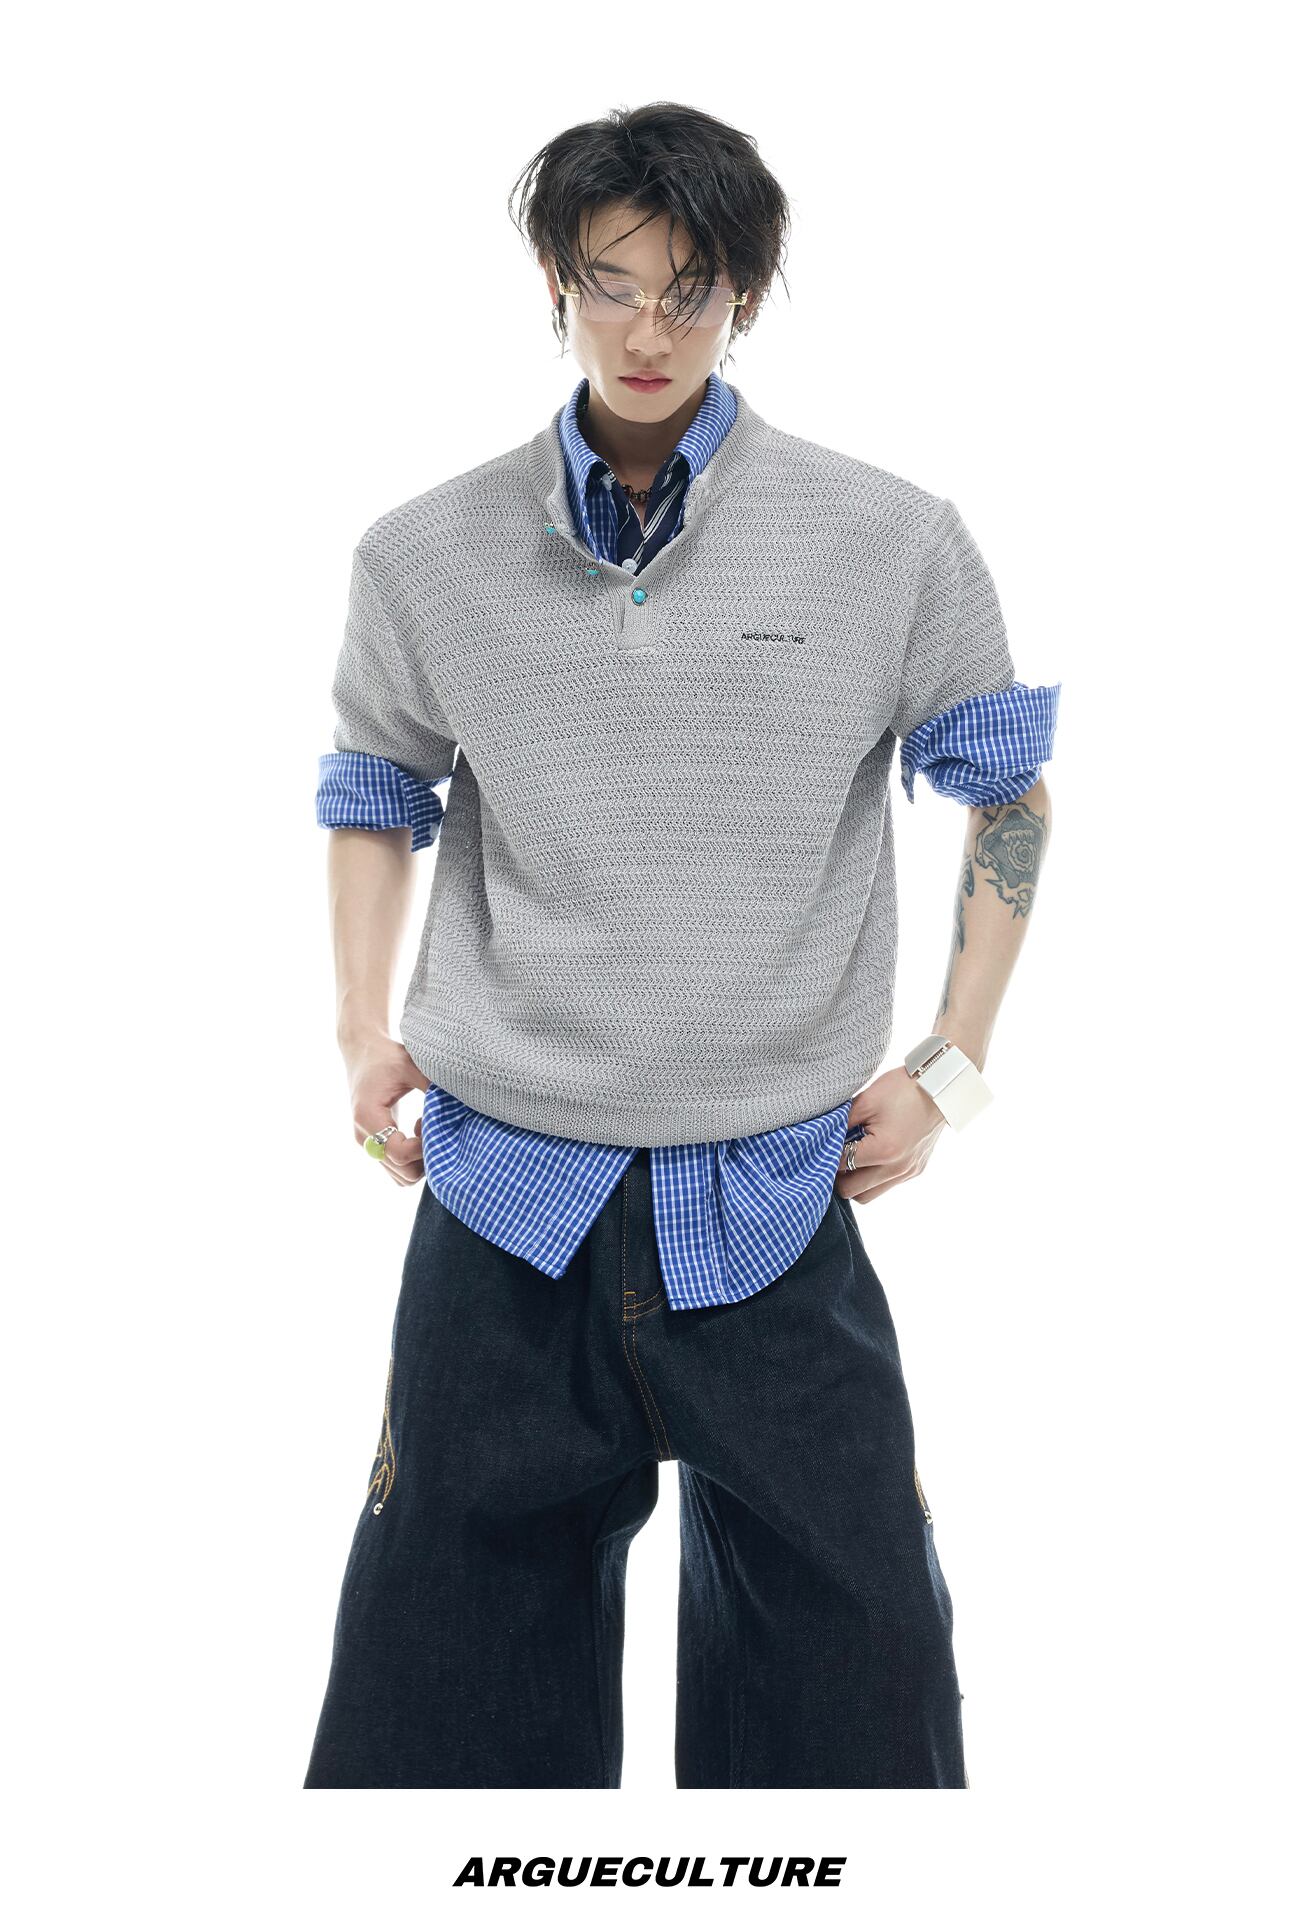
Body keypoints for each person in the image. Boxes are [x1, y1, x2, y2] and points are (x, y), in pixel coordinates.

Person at [303, 101, 1060, 1790]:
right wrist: (360, 1027)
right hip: (506, 1204)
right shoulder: (423, 553)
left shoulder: (889, 539)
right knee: (439, 1734)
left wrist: (952, 1066)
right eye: (610, 283)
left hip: (777, 1197)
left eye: (692, 291)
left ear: (746, 298)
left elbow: (1008, 793)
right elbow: (374, 790)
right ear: (553, 286)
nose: (649, 329)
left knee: (861, 1706)